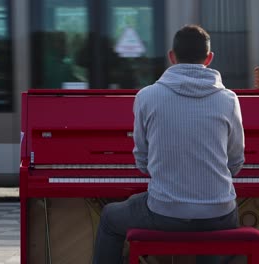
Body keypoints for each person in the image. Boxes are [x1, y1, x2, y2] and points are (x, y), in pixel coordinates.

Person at [92, 24, 245, 264]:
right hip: (220, 214)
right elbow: (235, 162)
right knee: (212, 222)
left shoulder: (147, 96)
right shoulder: (229, 99)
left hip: (165, 214)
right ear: (209, 58)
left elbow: (143, 162)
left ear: (171, 57)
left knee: (111, 217)